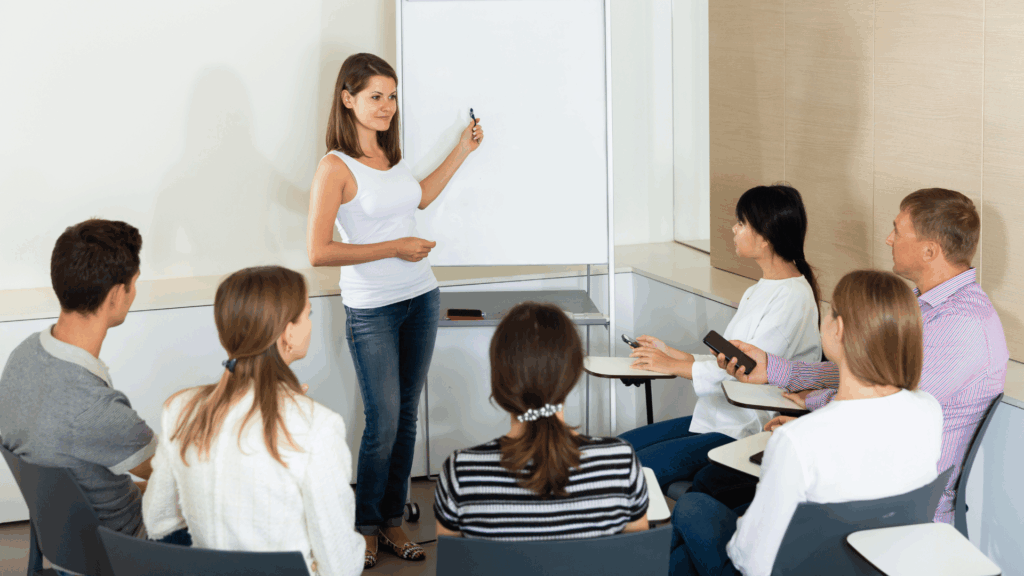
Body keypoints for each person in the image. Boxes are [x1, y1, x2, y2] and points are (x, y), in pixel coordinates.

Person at [717, 188, 1008, 523]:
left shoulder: (963, 325)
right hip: (865, 471)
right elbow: (871, 375)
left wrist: (814, 412)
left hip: (895, 503)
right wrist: (777, 370)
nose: (888, 239)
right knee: (726, 504)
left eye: (897, 231)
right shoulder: (920, 304)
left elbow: (886, 403)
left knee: (716, 511)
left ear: (930, 250)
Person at [306, 52, 484, 567]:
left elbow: (419, 198)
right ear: (347, 99)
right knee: (382, 421)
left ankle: (390, 522)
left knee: (406, 418)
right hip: (372, 308)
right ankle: (363, 527)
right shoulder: (334, 167)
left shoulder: (391, 154)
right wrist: (394, 248)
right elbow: (318, 252)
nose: (386, 106)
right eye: (374, 97)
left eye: (392, 95)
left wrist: (462, 151)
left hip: (420, 297)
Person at [671, 270, 944, 576]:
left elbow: (753, 563)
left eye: (828, 311)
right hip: (871, 563)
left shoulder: (800, 441)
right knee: (685, 559)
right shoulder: (929, 410)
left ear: (838, 329)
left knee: (690, 507)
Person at [142, 266, 364, 576]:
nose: (310, 325)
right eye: (307, 315)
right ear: (288, 332)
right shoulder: (317, 426)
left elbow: (158, 521)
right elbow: (340, 566)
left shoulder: (181, 409)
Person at [619, 184, 821, 493]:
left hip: (743, 428)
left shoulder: (793, 297)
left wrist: (672, 366)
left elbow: (748, 373)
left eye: (742, 223)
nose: (734, 229)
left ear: (765, 237)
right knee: (621, 449)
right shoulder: (761, 289)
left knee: (633, 470)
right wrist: (672, 354)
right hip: (716, 417)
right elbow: (729, 361)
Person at [0, 220, 160, 545]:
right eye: (133, 284)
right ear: (116, 295)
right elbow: (174, 477)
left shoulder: (23, 355)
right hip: (127, 551)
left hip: (64, 539)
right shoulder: (96, 409)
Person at [433, 302, 650, 540]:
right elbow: (635, 562)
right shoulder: (620, 461)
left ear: (499, 381)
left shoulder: (462, 472)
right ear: (574, 373)